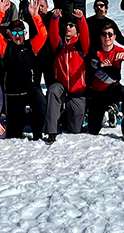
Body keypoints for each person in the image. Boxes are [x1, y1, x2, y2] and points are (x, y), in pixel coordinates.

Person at [0, 0, 48, 140]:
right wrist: (1, 12)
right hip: (13, 94)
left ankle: (38, 129)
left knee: (40, 104)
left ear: (25, 33)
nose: (17, 36)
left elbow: (43, 34)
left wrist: (35, 16)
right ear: (9, 34)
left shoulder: (31, 45)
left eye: (20, 32)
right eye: (14, 33)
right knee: (13, 134)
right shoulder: (5, 47)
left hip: (31, 90)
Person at [43, 8, 90, 144]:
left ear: (77, 30)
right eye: (66, 26)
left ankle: (68, 117)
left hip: (77, 90)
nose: (68, 27)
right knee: (53, 90)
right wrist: (55, 19)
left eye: (71, 26)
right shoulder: (60, 45)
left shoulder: (81, 46)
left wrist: (80, 19)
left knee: (75, 129)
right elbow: (53, 34)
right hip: (62, 86)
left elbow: (85, 35)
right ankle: (51, 131)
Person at [87, 20, 124, 141]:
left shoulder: (118, 50)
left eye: (110, 34)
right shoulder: (95, 51)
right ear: (100, 37)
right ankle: (108, 112)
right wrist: (100, 64)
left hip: (112, 90)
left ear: (114, 37)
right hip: (97, 93)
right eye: (104, 34)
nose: (107, 37)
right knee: (93, 130)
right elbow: (92, 62)